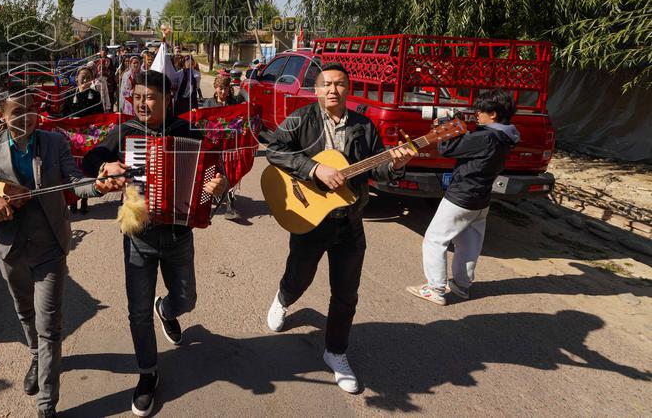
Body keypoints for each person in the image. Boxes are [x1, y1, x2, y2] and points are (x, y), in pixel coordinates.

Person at [0, 85, 126, 418]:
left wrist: (97, 185)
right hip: (10, 249)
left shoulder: (54, 142)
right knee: (24, 312)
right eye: (18, 111)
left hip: (50, 246)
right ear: (1, 115)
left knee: (50, 324)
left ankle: (47, 404)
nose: (27, 117)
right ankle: (36, 355)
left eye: (31, 109)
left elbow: (75, 182)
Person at [82, 71, 228, 417]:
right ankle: (147, 374)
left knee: (187, 299)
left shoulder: (187, 132)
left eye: (149, 97)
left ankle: (168, 309)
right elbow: (90, 159)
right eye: (137, 96)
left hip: (179, 234)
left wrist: (218, 186)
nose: (141, 103)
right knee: (137, 312)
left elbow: (216, 171)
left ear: (167, 99)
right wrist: (105, 164)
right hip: (138, 235)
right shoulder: (126, 132)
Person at [264, 62, 416, 394]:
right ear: (317, 89)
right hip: (309, 219)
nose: (333, 89)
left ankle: (335, 352)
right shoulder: (301, 119)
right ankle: (284, 297)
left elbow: (378, 169)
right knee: (299, 277)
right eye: (327, 84)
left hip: (350, 221)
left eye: (340, 84)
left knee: (346, 293)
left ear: (349, 89)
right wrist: (313, 169)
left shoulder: (364, 126)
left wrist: (396, 164)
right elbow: (274, 151)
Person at [407, 88, 520, 305]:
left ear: (493, 114)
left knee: (434, 239)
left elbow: (447, 148)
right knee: (469, 245)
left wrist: (443, 124)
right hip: (481, 199)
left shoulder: (486, 137)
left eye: (480, 111)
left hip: (461, 196)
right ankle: (461, 285)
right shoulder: (506, 136)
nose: (476, 114)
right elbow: (469, 145)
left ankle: (435, 289)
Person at [202, 73, 243, 219]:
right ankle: (210, 202)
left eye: (225, 88)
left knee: (230, 173)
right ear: (215, 87)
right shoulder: (208, 104)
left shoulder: (234, 103)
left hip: (229, 145)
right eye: (220, 88)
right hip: (213, 145)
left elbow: (240, 122)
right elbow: (204, 123)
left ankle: (230, 206)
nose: (223, 92)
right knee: (213, 173)